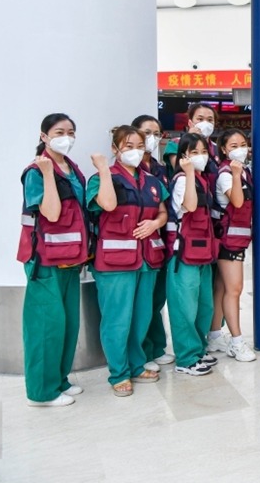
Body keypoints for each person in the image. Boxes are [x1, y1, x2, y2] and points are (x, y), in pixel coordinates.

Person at [87, 125, 168, 396]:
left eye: (139, 146)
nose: (135, 151)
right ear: (115, 149)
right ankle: (118, 373)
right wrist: (101, 167)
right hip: (114, 262)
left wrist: (154, 222)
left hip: (146, 260)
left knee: (141, 317)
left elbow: (163, 212)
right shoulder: (102, 178)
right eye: (128, 146)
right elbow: (108, 205)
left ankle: (135, 365)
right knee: (117, 320)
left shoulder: (153, 181)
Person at [17, 114, 89, 407]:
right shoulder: (36, 171)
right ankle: (42, 392)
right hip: (44, 260)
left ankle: (59, 380)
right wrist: (48, 174)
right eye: (59, 132)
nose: (66, 137)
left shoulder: (72, 169)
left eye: (71, 132)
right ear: (44, 136)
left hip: (70, 258)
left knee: (67, 324)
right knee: (46, 326)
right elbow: (51, 213)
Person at [166, 133, 217, 376]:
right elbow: (190, 206)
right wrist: (186, 173)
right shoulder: (181, 179)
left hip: (203, 253)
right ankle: (186, 358)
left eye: (204, 151)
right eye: (194, 152)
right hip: (183, 254)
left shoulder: (202, 179)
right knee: (184, 308)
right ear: (183, 156)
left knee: (203, 306)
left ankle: (198, 348)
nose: (201, 157)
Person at [206, 129, 257, 362]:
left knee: (221, 288)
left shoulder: (244, 171)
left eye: (243, 143)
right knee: (234, 289)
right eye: (234, 145)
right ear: (224, 149)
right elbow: (237, 201)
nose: (240, 148)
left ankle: (214, 334)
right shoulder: (228, 173)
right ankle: (236, 342)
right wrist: (236, 176)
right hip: (228, 240)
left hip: (235, 238)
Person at [132, 115, 176, 371]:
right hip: (138, 244)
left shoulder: (160, 170)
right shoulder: (131, 172)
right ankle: (144, 352)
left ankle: (157, 347)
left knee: (157, 299)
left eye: (156, 132)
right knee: (142, 303)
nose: (151, 137)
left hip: (161, 242)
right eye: (146, 132)